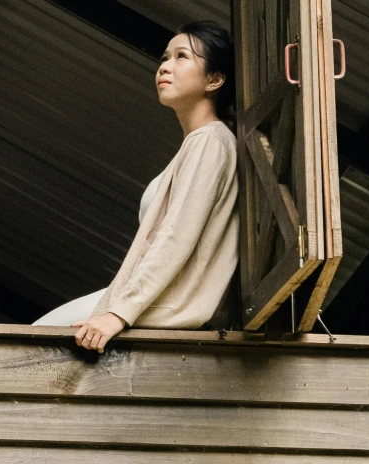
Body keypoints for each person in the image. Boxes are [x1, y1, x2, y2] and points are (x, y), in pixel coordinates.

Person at [36, 21, 242, 353]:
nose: (165, 66)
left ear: (214, 80)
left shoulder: (210, 141)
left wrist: (119, 313)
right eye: (165, 57)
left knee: (34, 340)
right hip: (144, 299)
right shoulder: (199, 143)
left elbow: (175, 235)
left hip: (168, 307)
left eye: (181, 57)